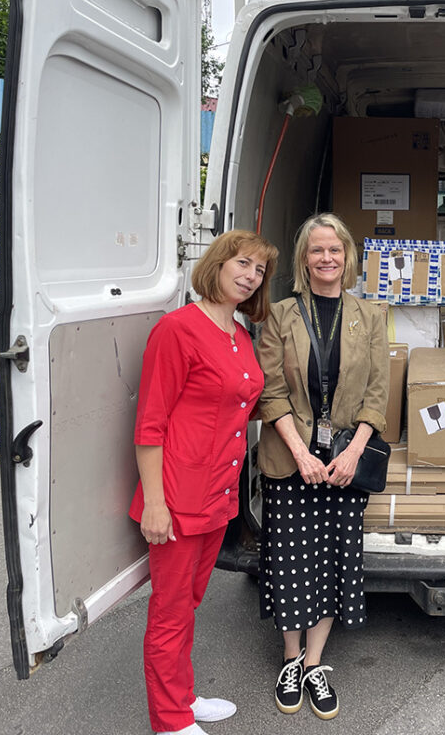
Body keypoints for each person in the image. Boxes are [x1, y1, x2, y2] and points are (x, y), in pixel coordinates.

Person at [129, 230, 279, 735]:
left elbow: (242, 402)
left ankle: (184, 697)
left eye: (258, 271)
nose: (250, 275)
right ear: (216, 263)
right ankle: (169, 721)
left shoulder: (238, 334)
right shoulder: (177, 330)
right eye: (242, 263)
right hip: (176, 496)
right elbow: (150, 425)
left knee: (190, 603)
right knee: (170, 612)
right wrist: (155, 503)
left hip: (218, 494)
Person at [256, 212, 388, 720]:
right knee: (290, 563)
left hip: (344, 462)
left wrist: (353, 450)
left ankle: (315, 664)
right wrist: (300, 452)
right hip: (292, 460)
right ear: (303, 259)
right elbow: (270, 390)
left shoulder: (369, 315)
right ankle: (290, 660)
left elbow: (378, 392)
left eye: (335, 249)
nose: (326, 258)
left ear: (347, 255)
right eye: (317, 250)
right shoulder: (281, 314)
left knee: (333, 562)